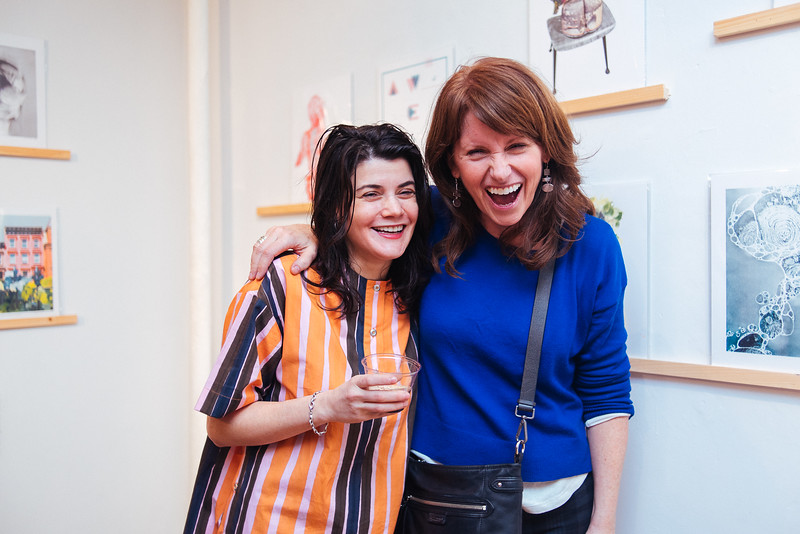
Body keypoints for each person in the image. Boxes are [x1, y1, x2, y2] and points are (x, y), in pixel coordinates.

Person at [248, 57, 633, 534]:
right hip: (443, 497)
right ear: (452, 162)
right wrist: (309, 234)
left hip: (559, 502)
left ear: (546, 151)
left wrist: (605, 520)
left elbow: (606, 390)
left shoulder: (592, 246)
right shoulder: (429, 218)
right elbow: (366, 224)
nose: (500, 170)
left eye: (517, 146)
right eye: (477, 152)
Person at [184, 123, 432, 533]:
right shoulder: (282, 284)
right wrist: (328, 406)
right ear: (336, 207)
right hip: (270, 520)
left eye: (406, 192)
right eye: (371, 194)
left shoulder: (418, 296)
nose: (394, 209)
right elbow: (221, 425)